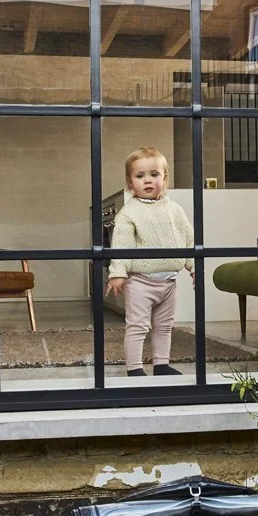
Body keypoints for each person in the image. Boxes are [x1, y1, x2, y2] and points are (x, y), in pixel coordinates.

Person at [105, 146, 194, 377]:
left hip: (169, 282)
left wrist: (194, 266)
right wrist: (117, 273)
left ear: (165, 178)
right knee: (138, 326)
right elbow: (121, 245)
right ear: (130, 182)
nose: (147, 181)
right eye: (140, 176)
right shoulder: (129, 213)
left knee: (164, 326)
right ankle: (134, 368)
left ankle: (161, 364)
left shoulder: (175, 210)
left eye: (154, 175)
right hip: (140, 282)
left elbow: (187, 238)